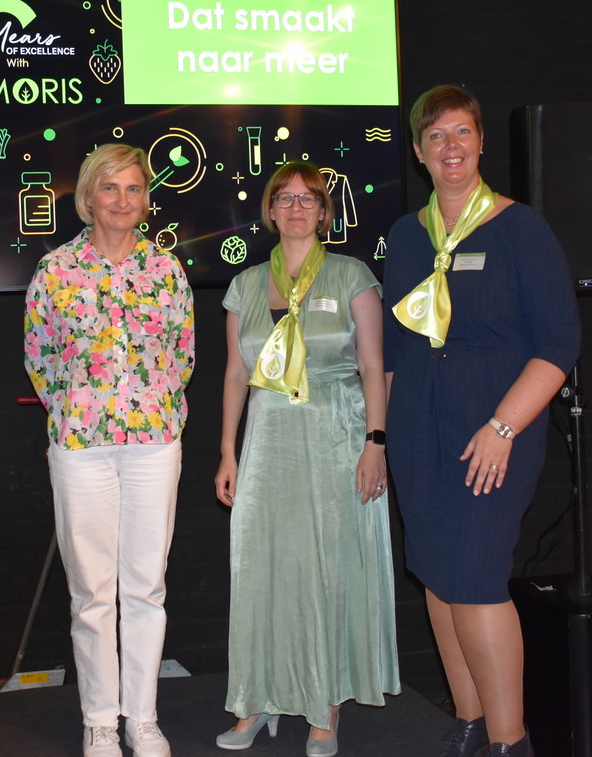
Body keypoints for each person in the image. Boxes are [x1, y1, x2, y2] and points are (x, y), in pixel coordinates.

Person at [383, 85, 580, 757]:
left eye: (461, 132)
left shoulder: (521, 229)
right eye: (436, 136)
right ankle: (469, 724)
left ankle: (510, 742)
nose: (451, 147)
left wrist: (503, 428)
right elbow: (394, 351)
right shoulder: (407, 236)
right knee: (437, 577)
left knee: (474, 578)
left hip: (493, 433)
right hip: (417, 432)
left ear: (481, 142)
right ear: (418, 153)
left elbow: (559, 345)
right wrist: (384, 438)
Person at [214, 161, 399, 757]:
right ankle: (257, 698)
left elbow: (374, 365)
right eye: (285, 198)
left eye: (308, 199)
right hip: (266, 443)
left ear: (324, 211)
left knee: (326, 571)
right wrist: (227, 451)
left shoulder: (351, 276)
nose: (296, 208)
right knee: (261, 569)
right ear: (270, 211)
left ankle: (325, 705)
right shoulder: (245, 285)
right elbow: (236, 373)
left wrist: (375, 443)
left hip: (334, 439)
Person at [23, 143, 195, 757]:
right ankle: (99, 719)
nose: (122, 200)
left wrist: (156, 408)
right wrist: (75, 411)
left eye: (134, 188)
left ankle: (142, 718)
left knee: (146, 588)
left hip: (154, 444)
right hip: (81, 446)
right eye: (110, 187)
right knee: (91, 592)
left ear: (146, 199)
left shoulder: (166, 271)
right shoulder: (55, 271)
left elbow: (182, 355)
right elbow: (40, 357)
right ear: (88, 197)